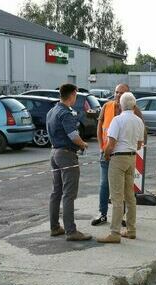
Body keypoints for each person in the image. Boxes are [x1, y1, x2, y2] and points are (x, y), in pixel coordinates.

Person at [92, 84, 144, 226]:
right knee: (104, 184)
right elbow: (100, 127)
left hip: (121, 155)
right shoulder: (106, 106)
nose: (118, 95)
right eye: (116, 92)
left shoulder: (135, 112)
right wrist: (102, 147)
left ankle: (120, 217)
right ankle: (102, 213)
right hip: (107, 152)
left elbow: (141, 133)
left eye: (122, 93)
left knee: (122, 189)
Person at [46, 84, 92, 241]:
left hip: (54, 153)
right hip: (66, 155)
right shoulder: (65, 113)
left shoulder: (52, 111)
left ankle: (54, 227)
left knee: (56, 192)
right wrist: (83, 144)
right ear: (72, 94)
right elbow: (73, 135)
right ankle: (71, 231)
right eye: (76, 95)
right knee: (69, 194)